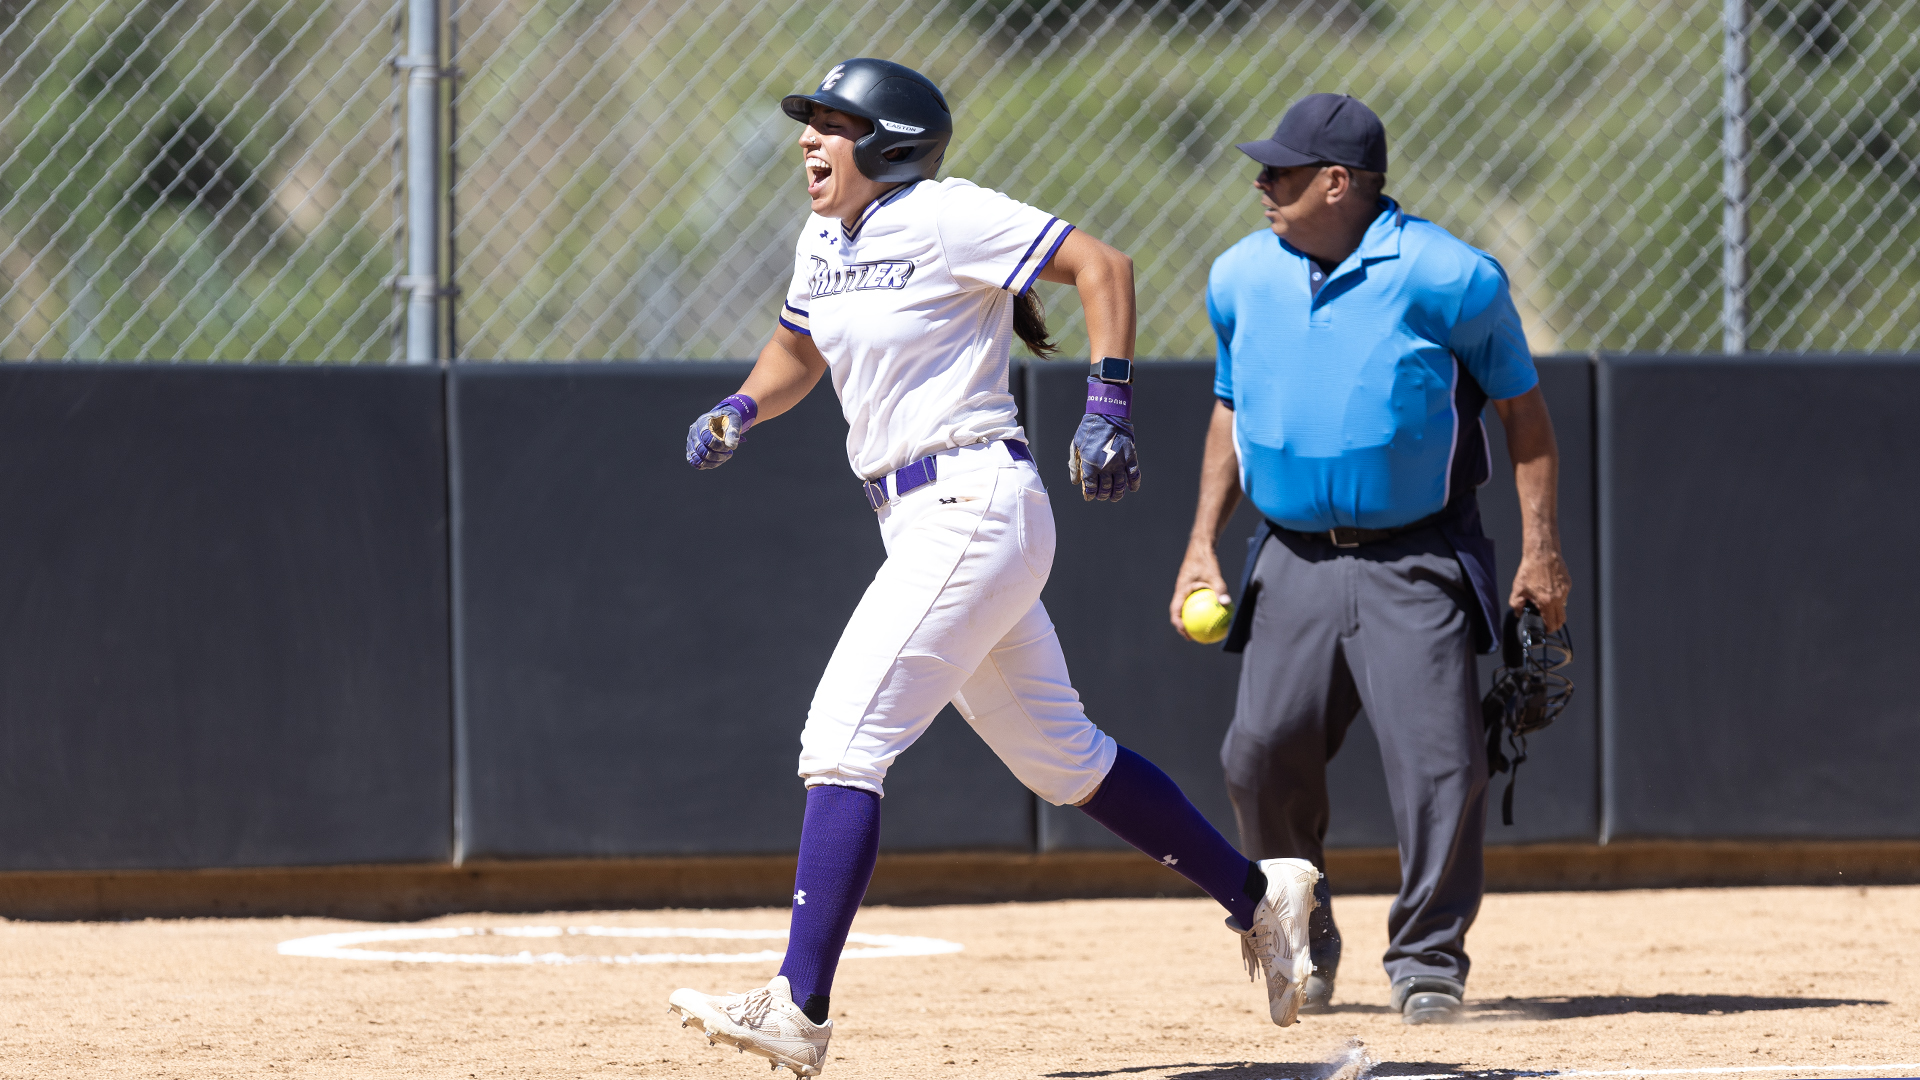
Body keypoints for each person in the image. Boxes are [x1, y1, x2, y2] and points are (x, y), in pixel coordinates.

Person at [664, 59, 1319, 1078]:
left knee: (843, 739)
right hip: (917, 519)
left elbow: (1103, 266)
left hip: (972, 502)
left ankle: (800, 1005)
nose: (808, 139)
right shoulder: (823, 240)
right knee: (1062, 760)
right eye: (809, 122)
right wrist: (741, 407)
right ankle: (1258, 894)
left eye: (831, 124)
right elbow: (800, 351)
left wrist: (1108, 405)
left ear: (889, 142)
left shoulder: (944, 213)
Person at [1168, 93, 1571, 1026]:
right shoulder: (1240, 276)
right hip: (1290, 556)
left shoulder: (1451, 276)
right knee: (1257, 754)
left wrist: (1541, 552)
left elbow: (1526, 418)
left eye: (1280, 172)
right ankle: (1304, 933)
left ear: (1336, 183)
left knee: (1442, 767)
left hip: (1416, 556)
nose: (1262, 185)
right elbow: (1230, 407)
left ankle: (1428, 958)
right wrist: (1200, 545)